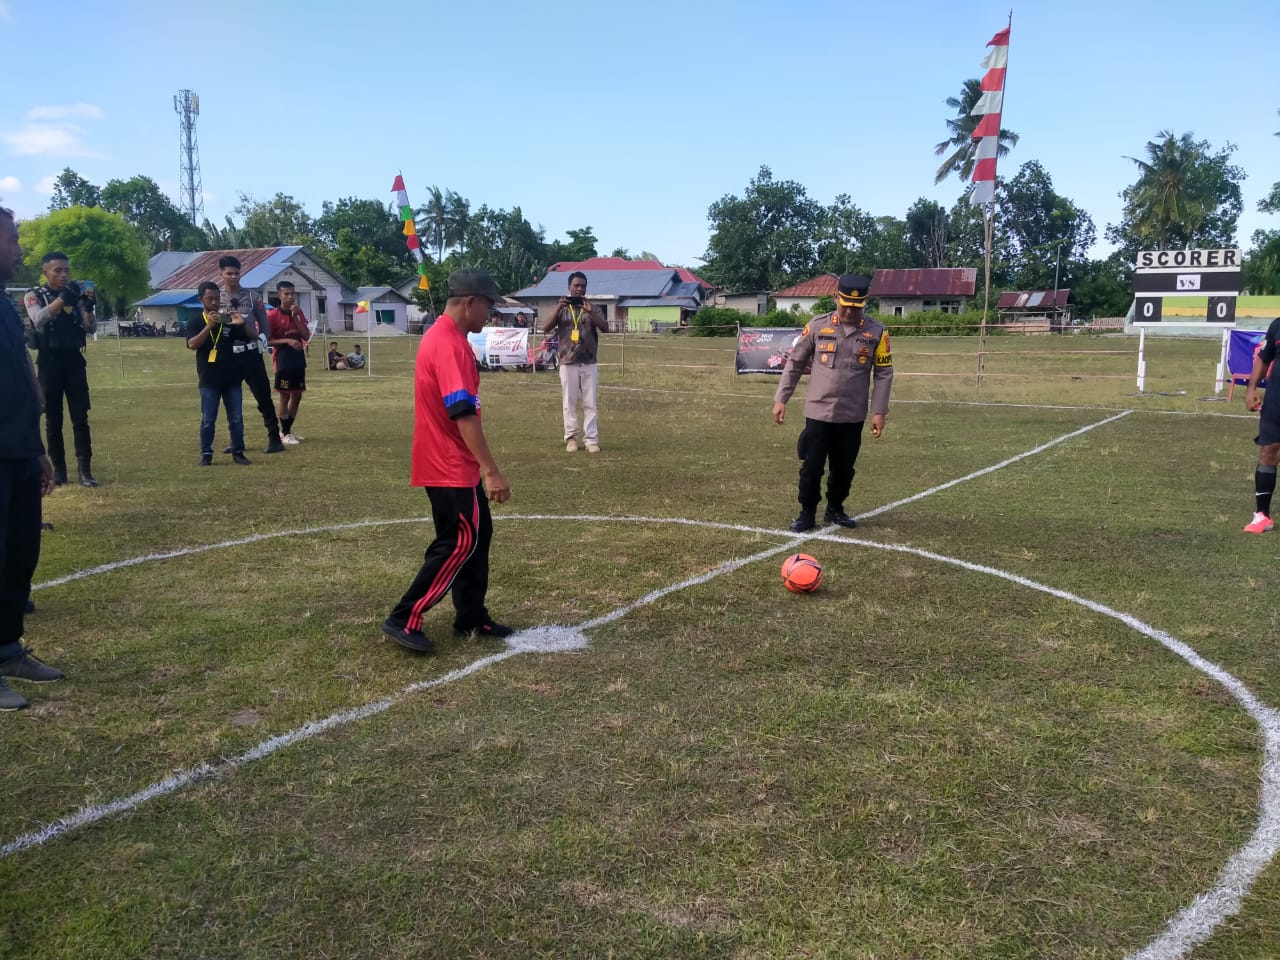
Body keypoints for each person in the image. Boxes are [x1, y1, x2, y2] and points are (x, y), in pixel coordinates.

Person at [383, 268, 514, 655]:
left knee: (477, 535)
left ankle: (471, 615)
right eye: (488, 305)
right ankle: (404, 616)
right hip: (449, 464)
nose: (491, 314)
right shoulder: (449, 344)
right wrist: (491, 470)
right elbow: (463, 414)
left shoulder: (445, 337)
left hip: (451, 462)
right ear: (470, 302)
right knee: (459, 541)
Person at [0, 208, 63, 711]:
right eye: (13, 239)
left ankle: (7, 650)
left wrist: (37, 448)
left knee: (19, 555)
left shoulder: (4, 307)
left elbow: (21, 373)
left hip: (19, 450)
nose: (19, 249)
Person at [772, 274, 893, 533]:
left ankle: (835, 509)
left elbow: (883, 373)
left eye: (856, 307)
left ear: (865, 302)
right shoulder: (817, 326)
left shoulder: (877, 332)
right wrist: (781, 398)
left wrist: (879, 411)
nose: (850, 311)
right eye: (845, 305)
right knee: (812, 467)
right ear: (836, 297)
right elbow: (795, 364)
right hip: (818, 412)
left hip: (852, 414)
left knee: (844, 468)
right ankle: (806, 513)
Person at [22, 251, 99, 486]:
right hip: (49, 362)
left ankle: (85, 471)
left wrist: (88, 308)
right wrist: (62, 300)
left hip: (74, 360)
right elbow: (38, 319)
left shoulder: (76, 295)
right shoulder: (34, 295)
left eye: (66, 270)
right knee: (53, 418)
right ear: (45, 272)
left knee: (80, 417)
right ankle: (59, 471)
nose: (64, 275)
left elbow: (90, 328)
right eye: (58, 271)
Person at [218, 256, 285, 454]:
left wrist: (262, 340)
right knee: (232, 400)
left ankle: (274, 438)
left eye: (237, 273)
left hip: (251, 354)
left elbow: (264, 323)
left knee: (263, 397)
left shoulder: (253, 296)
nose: (233, 277)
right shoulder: (216, 297)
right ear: (221, 274)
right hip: (229, 356)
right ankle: (236, 441)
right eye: (229, 273)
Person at [187, 281, 251, 466]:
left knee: (236, 418)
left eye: (217, 298)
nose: (215, 302)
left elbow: (250, 336)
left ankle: (238, 451)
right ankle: (206, 453)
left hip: (232, 378)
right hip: (209, 379)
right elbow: (192, 344)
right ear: (201, 299)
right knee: (208, 419)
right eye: (210, 299)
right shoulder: (196, 321)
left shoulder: (226, 319)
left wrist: (241, 323)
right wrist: (209, 326)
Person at [542, 271, 608, 452]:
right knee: (569, 402)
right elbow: (545, 327)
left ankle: (591, 440)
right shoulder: (562, 308)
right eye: (576, 285)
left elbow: (605, 328)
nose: (579, 289)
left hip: (589, 361)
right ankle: (571, 438)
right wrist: (558, 307)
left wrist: (591, 312)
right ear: (569, 287)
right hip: (567, 360)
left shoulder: (592, 307)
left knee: (590, 403)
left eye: (583, 286)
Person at [1243, 316, 1280, 533]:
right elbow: (1264, 358)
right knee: (1268, 452)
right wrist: (1251, 389)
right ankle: (1262, 516)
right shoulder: (1277, 325)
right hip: (1276, 401)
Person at [267, 281, 310, 445]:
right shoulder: (272, 315)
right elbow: (268, 340)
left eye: (293, 293)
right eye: (286, 294)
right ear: (279, 295)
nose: (290, 297)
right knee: (285, 394)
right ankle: (285, 433)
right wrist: (288, 341)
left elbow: (306, 336)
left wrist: (295, 317)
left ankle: (287, 430)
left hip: (298, 358)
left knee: (297, 394)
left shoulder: (298, 312)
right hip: (283, 359)